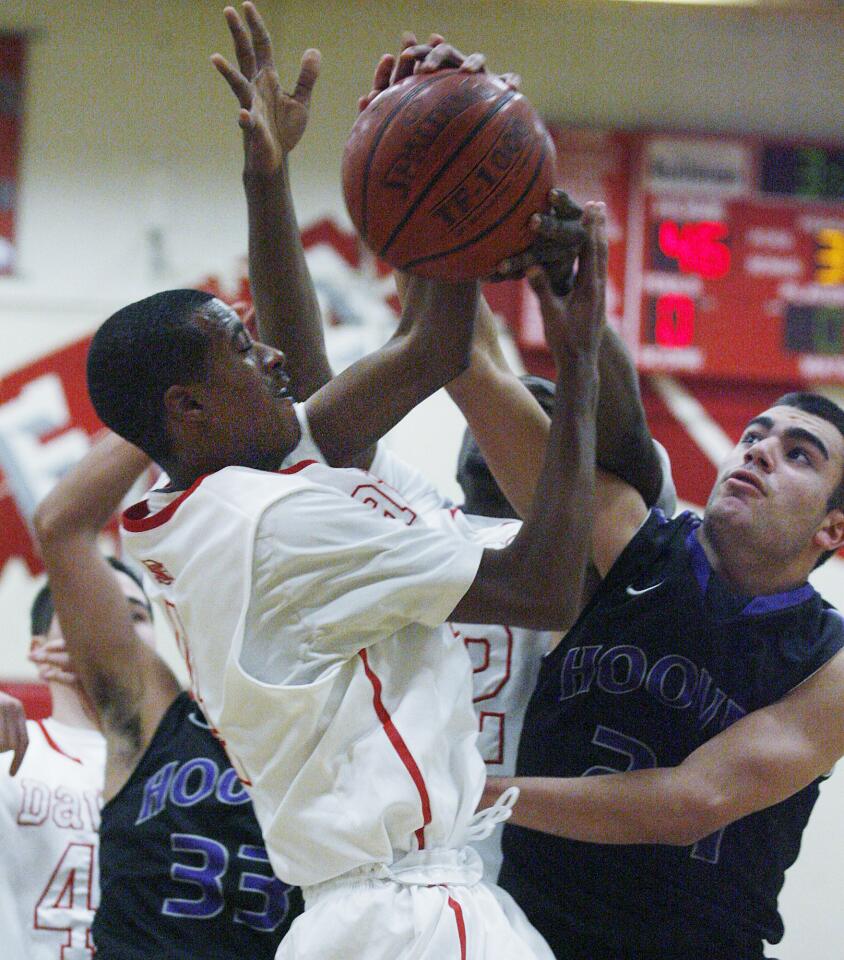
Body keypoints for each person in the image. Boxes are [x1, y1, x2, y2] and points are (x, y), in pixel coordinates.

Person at [436, 219, 844, 955]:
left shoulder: (831, 663)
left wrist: (476, 796)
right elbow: (475, 374)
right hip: (531, 938)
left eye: (799, 455)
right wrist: (440, 230)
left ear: (833, 532)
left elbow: (693, 802)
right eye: (755, 435)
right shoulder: (630, 536)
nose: (758, 452)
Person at [29, 6, 323, 956]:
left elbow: (307, 385)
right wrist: (173, 420)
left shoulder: (335, 698)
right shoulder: (152, 710)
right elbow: (66, 525)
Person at [0, 588, 106, 959]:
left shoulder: (187, 766)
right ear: (38, 648)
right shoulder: (8, 748)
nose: (109, 629)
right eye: (85, 611)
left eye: (134, 617)